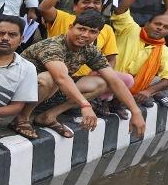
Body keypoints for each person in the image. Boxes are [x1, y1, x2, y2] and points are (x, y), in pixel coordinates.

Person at [18, 9, 146, 140]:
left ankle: (47, 117)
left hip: (52, 92)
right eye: (81, 29)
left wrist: (136, 111)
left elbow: (114, 80)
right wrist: (85, 105)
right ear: (71, 27)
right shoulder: (53, 45)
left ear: (98, 34)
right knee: (49, 78)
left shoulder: (90, 50)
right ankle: (21, 118)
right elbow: (61, 78)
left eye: (92, 32)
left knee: (103, 83)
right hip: (21, 92)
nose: (85, 35)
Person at [102, 0, 168, 108]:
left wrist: (148, 91)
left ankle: (123, 101)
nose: (160, 28)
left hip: (129, 89)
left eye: (165, 28)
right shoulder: (130, 29)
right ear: (147, 23)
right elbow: (121, 9)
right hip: (106, 79)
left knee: (157, 80)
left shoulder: (163, 50)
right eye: (157, 24)